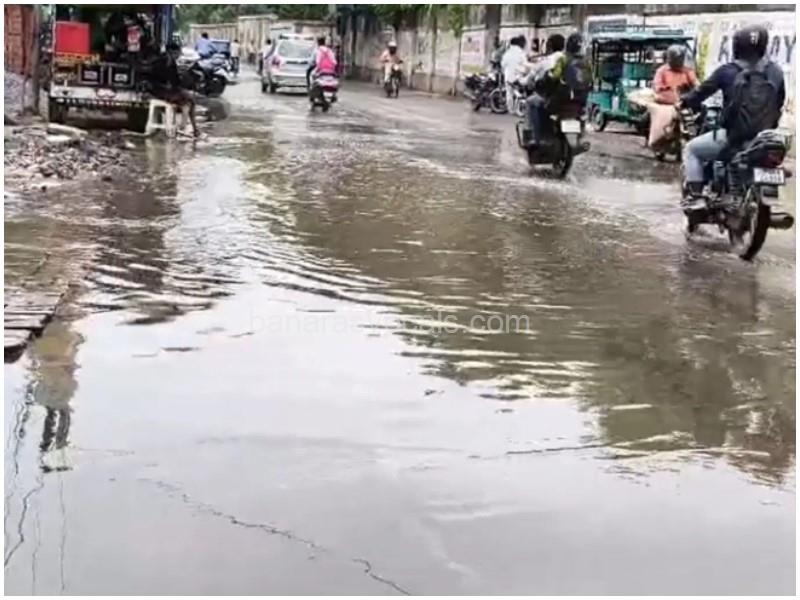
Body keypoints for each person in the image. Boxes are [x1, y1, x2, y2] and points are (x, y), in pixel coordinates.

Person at [680, 25, 785, 201]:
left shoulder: (727, 71)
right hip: (765, 138)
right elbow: (779, 103)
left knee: (692, 150)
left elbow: (700, 94)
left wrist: (684, 101)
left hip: (734, 137)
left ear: (737, 45)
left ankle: (696, 198)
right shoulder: (776, 72)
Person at [522, 33, 566, 146]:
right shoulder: (567, 58)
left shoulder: (546, 61)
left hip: (551, 98)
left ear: (550, 45)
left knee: (530, 102)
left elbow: (530, 77)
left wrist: (523, 81)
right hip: (570, 99)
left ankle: (532, 136)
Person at [151, 42, 200, 138]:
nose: (178, 56)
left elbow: (175, 81)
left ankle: (190, 128)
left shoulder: (170, 62)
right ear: (171, 52)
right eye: (177, 53)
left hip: (168, 90)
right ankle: (190, 128)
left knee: (188, 102)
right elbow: (163, 80)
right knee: (190, 99)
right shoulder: (161, 62)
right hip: (160, 91)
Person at [501, 35, 526, 112]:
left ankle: (511, 109)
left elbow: (503, 64)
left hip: (508, 75)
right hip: (519, 75)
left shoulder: (507, 53)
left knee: (509, 93)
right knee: (519, 90)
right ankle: (519, 106)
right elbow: (525, 63)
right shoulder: (521, 52)